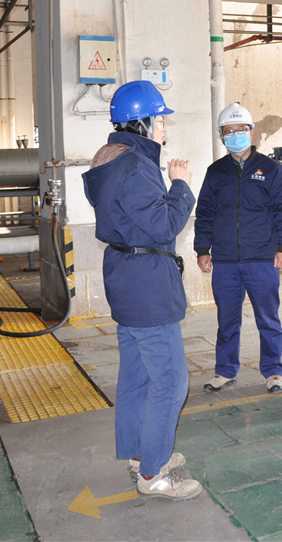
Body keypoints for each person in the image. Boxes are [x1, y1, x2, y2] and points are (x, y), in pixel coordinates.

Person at [82, 80, 200, 500]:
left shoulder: (110, 159)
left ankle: (140, 454)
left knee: (135, 376)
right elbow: (164, 225)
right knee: (170, 381)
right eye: (160, 120)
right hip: (147, 284)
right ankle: (153, 473)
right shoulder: (136, 167)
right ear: (143, 122)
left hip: (125, 277)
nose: (164, 127)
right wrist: (180, 184)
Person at [194, 103, 282, 394]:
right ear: (221, 136)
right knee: (227, 320)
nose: (235, 134)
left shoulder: (271, 169)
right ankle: (225, 371)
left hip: (262, 259)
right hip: (225, 261)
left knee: (268, 318)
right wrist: (202, 249)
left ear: (251, 132)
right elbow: (205, 213)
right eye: (229, 131)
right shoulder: (215, 172)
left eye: (241, 129)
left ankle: (273, 371)